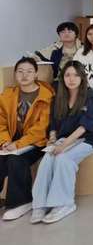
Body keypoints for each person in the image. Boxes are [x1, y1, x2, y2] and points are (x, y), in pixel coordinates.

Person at [31, 61, 93, 224]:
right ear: (62, 78)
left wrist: (63, 146)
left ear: (82, 77)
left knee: (63, 159)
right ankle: (40, 204)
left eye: (76, 75)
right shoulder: (59, 97)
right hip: (64, 138)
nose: (71, 79)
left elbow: (86, 126)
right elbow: (54, 123)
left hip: (87, 139)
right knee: (47, 159)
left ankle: (64, 203)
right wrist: (52, 139)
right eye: (67, 75)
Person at [0, 58, 53, 221]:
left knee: (16, 159)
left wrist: (18, 144)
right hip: (12, 141)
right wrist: (5, 141)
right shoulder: (7, 95)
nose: (24, 75)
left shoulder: (46, 96)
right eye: (20, 71)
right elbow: (1, 122)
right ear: (15, 74)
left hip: (37, 142)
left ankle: (21, 202)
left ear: (36, 74)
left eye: (29, 71)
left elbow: (41, 129)